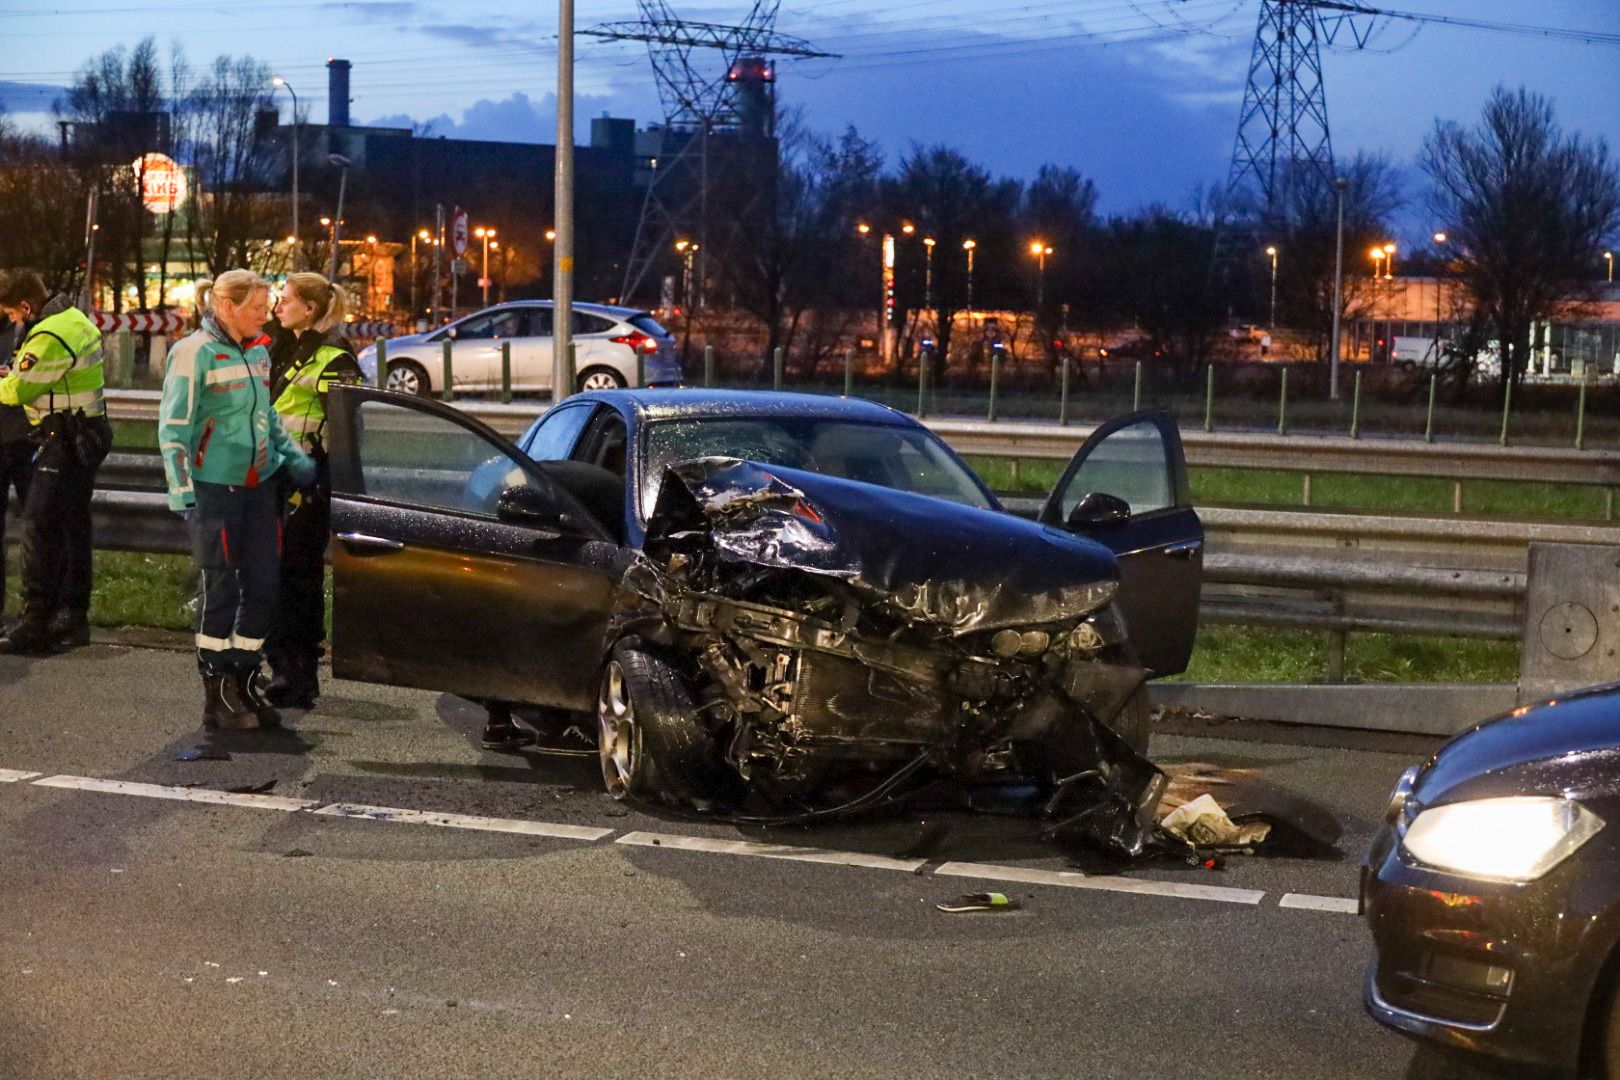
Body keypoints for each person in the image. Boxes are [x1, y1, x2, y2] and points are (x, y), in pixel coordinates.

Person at [159, 269, 315, 731]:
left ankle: (245, 679)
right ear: (226, 307)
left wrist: (294, 460)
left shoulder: (259, 351)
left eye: (267, 306)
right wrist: (184, 493)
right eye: (256, 308)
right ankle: (217, 692)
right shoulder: (192, 354)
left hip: (258, 489)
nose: (264, 316)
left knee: (265, 590)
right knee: (221, 594)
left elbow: (265, 414)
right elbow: (174, 430)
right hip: (214, 492)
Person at [262, 272, 362, 708]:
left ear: (310, 309)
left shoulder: (335, 359)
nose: (277, 307)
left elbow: (346, 434)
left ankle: (297, 674)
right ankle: (284, 666)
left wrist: (325, 488)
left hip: (307, 488)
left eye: (285, 301)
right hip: (279, 482)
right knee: (281, 578)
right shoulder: (288, 348)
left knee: (297, 581)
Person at [0, 270, 113, 654]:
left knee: (37, 527)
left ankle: (37, 621)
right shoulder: (74, 319)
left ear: (26, 306)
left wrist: (11, 378)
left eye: (13, 315)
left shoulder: (48, 334)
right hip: (84, 434)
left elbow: (17, 391)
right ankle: (71, 616)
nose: (13, 321)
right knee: (70, 527)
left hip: (64, 439)